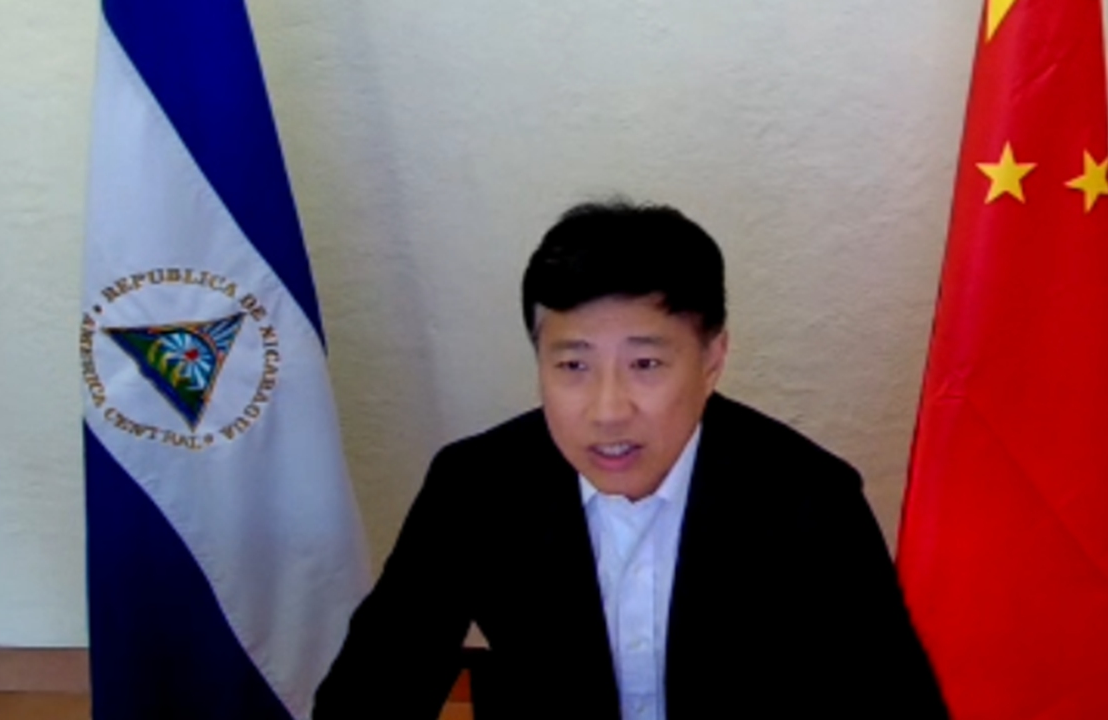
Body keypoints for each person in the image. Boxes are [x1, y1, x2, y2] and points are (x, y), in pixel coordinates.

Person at [312, 201, 948, 720]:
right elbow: (370, 690)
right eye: (573, 365)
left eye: (645, 364)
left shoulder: (810, 499)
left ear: (712, 359)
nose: (608, 410)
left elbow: (894, 705)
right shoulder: (475, 487)